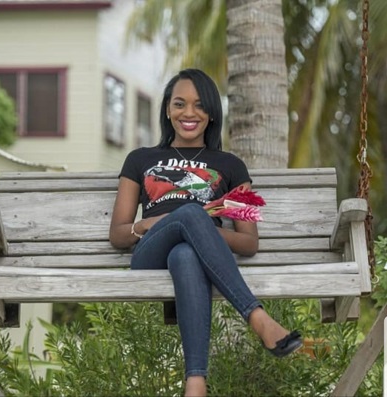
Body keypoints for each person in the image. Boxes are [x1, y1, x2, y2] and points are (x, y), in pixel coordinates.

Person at [109, 68, 302, 397]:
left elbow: (249, 241)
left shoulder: (231, 165)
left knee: (186, 251)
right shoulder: (140, 159)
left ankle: (195, 382)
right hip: (149, 253)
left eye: (199, 106)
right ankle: (257, 318)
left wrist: (198, 230)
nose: (189, 113)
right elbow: (118, 234)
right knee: (190, 216)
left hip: (195, 258)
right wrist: (150, 224)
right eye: (179, 104)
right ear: (167, 110)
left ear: (212, 113)